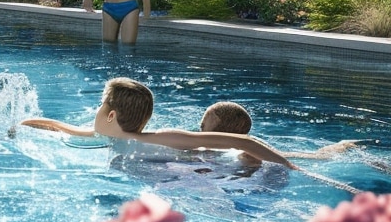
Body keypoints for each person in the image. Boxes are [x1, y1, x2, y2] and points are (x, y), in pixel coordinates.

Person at [19, 77, 298, 167]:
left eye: (99, 104)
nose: (96, 111)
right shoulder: (105, 136)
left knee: (246, 160)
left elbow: (239, 140)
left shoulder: (159, 138)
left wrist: (289, 166)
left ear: (111, 116)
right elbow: (62, 128)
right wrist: (25, 124)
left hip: (205, 173)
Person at [199, 100, 357, 162]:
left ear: (223, 129)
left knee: (320, 157)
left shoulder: (249, 152)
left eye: (203, 126)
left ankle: (345, 144)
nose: (200, 130)